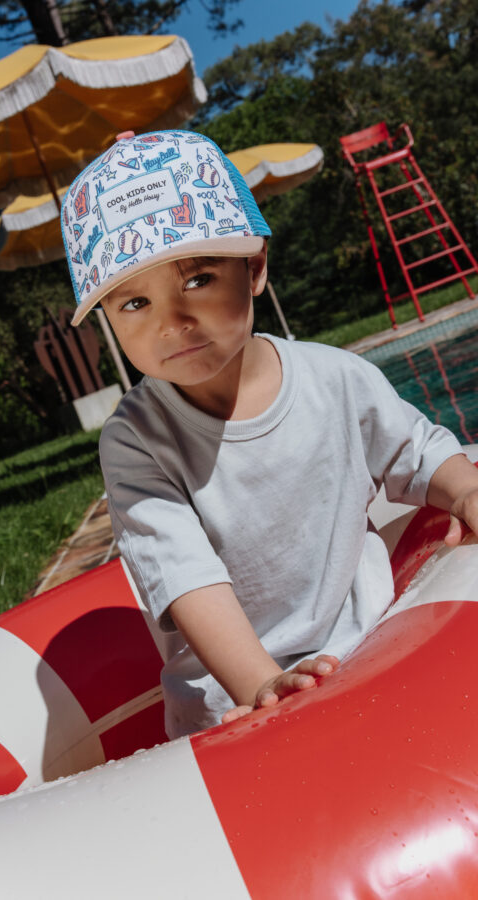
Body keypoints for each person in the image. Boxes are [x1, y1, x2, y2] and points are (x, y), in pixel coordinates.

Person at [61, 129, 478, 739]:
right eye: (133, 304)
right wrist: (260, 684)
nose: (171, 323)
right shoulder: (137, 441)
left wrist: (464, 490)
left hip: (375, 644)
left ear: (253, 267)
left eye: (197, 279)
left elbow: (415, 450)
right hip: (239, 709)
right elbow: (185, 577)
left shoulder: (333, 377)